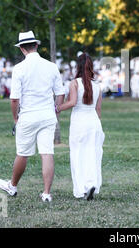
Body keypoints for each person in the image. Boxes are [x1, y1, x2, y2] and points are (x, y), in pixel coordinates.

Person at [0, 31, 65, 203]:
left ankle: (12, 185)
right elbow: (60, 93)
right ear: (36, 45)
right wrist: (56, 110)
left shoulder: (19, 69)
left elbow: (14, 99)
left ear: (21, 48)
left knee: (22, 153)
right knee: (47, 153)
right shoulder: (51, 66)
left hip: (28, 116)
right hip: (47, 115)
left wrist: (15, 119)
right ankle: (47, 193)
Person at [57, 53, 104, 200]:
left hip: (79, 121)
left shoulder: (75, 83)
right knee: (93, 155)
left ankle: (81, 189)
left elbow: (72, 102)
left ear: (78, 66)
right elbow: (98, 110)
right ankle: (92, 184)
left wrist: (58, 107)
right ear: (91, 67)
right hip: (94, 122)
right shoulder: (97, 86)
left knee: (78, 155)